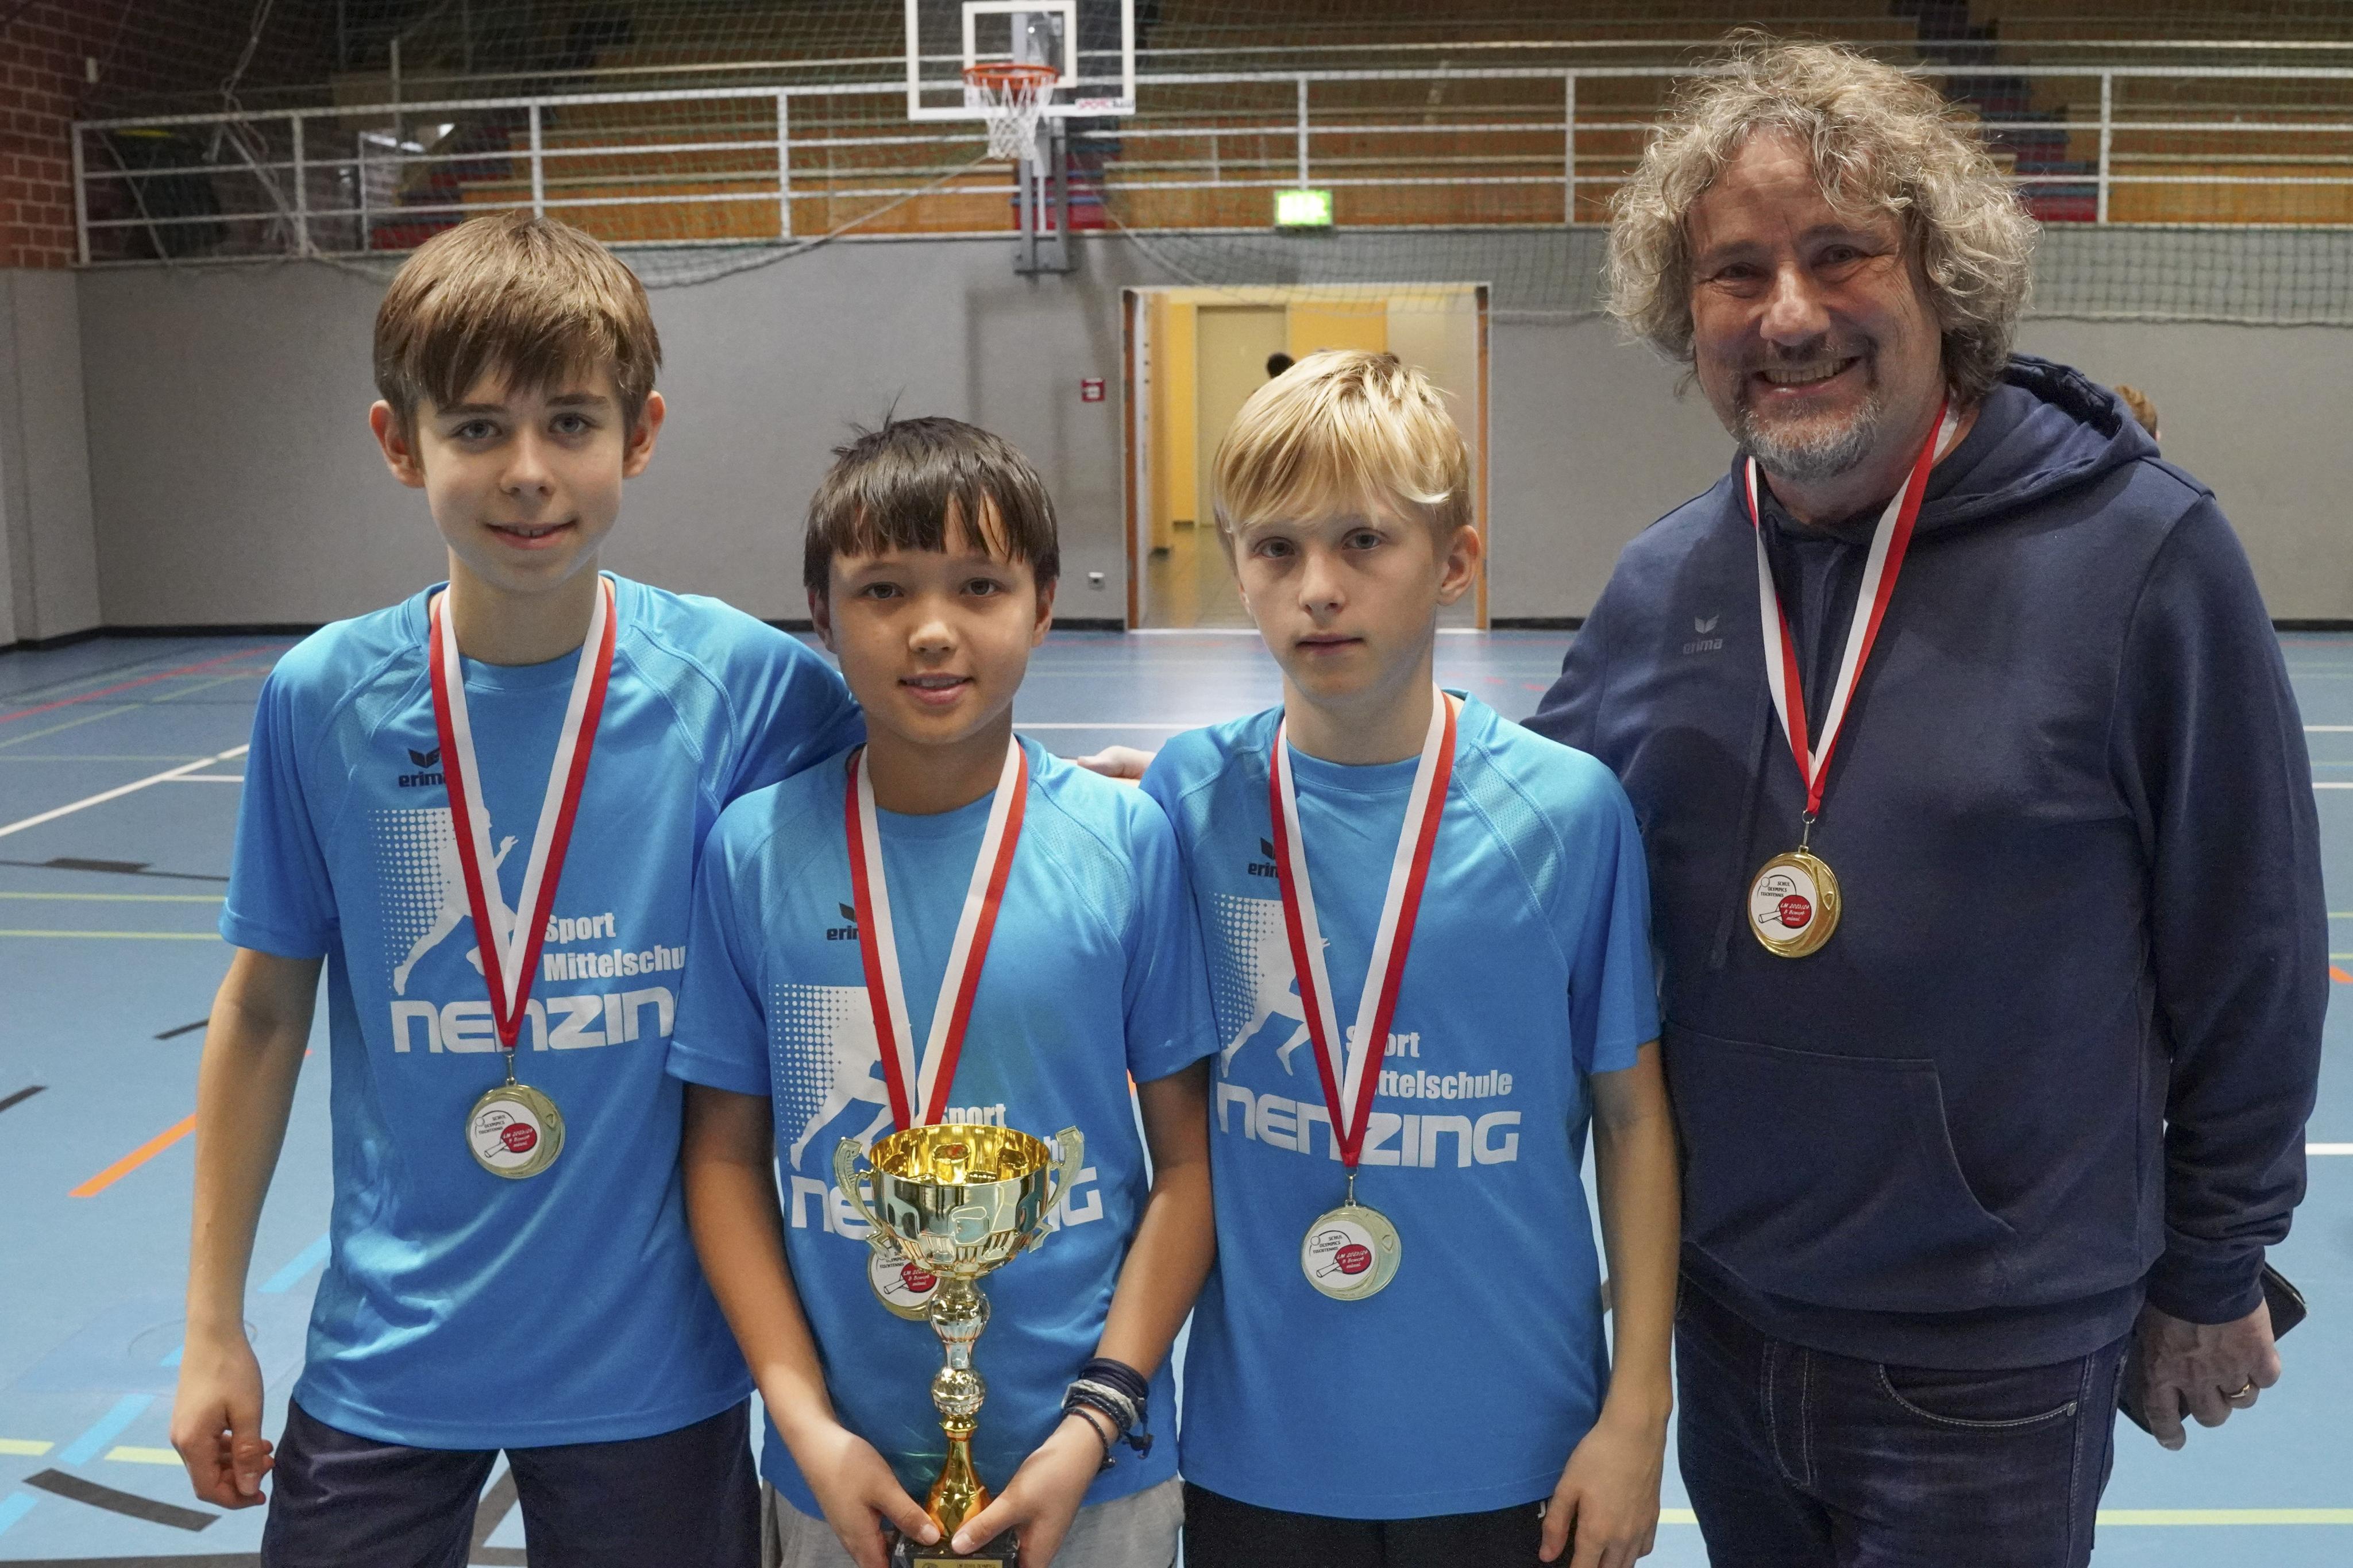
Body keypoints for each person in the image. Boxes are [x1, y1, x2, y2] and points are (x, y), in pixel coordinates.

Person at [1531, 38, 2324, 1567]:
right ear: (1686, 316)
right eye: (1735, 272)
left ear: (1942, 282)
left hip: (1993, 1362)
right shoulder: (1662, 583)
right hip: (1725, 1321)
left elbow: (2254, 948)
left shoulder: (2143, 558)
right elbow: (1503, 837)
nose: (1788, 315)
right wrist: (1225, 807)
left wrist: (2214, 1263)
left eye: (1840, 254)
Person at [168, 210, 863, 1566]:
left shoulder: (745, 687)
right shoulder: (324, 702)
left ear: (639, 435)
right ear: (399, 443)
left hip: (654, 1369)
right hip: (391, 1354)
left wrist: (1126, 800)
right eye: (478, 429)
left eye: (570, 424)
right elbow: (261, 1012)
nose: (528, 472)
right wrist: (211, 1325)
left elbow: (923, 790)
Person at [1144, 351, 1680, 1568]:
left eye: (1362, 542)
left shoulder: (1566, 815)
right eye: (1274, 549)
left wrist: (1636, 1412)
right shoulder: (1189, 798)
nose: (1316, 590)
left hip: (1517, 1443)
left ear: (1454, 561)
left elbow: (1634, 1118)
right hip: (1258, 1448)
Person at [668, 416, 1216, 1568]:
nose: (930, 629)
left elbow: (1186, 1167)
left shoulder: (1125, 843)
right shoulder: (752, 854)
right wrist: (807, 1428)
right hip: (839, 1478)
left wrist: (1097, 1417)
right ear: (820, 615)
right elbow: (722, 1160)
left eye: (978, 586)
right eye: (882, 590)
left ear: (1044, 602)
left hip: (1093, 1469)